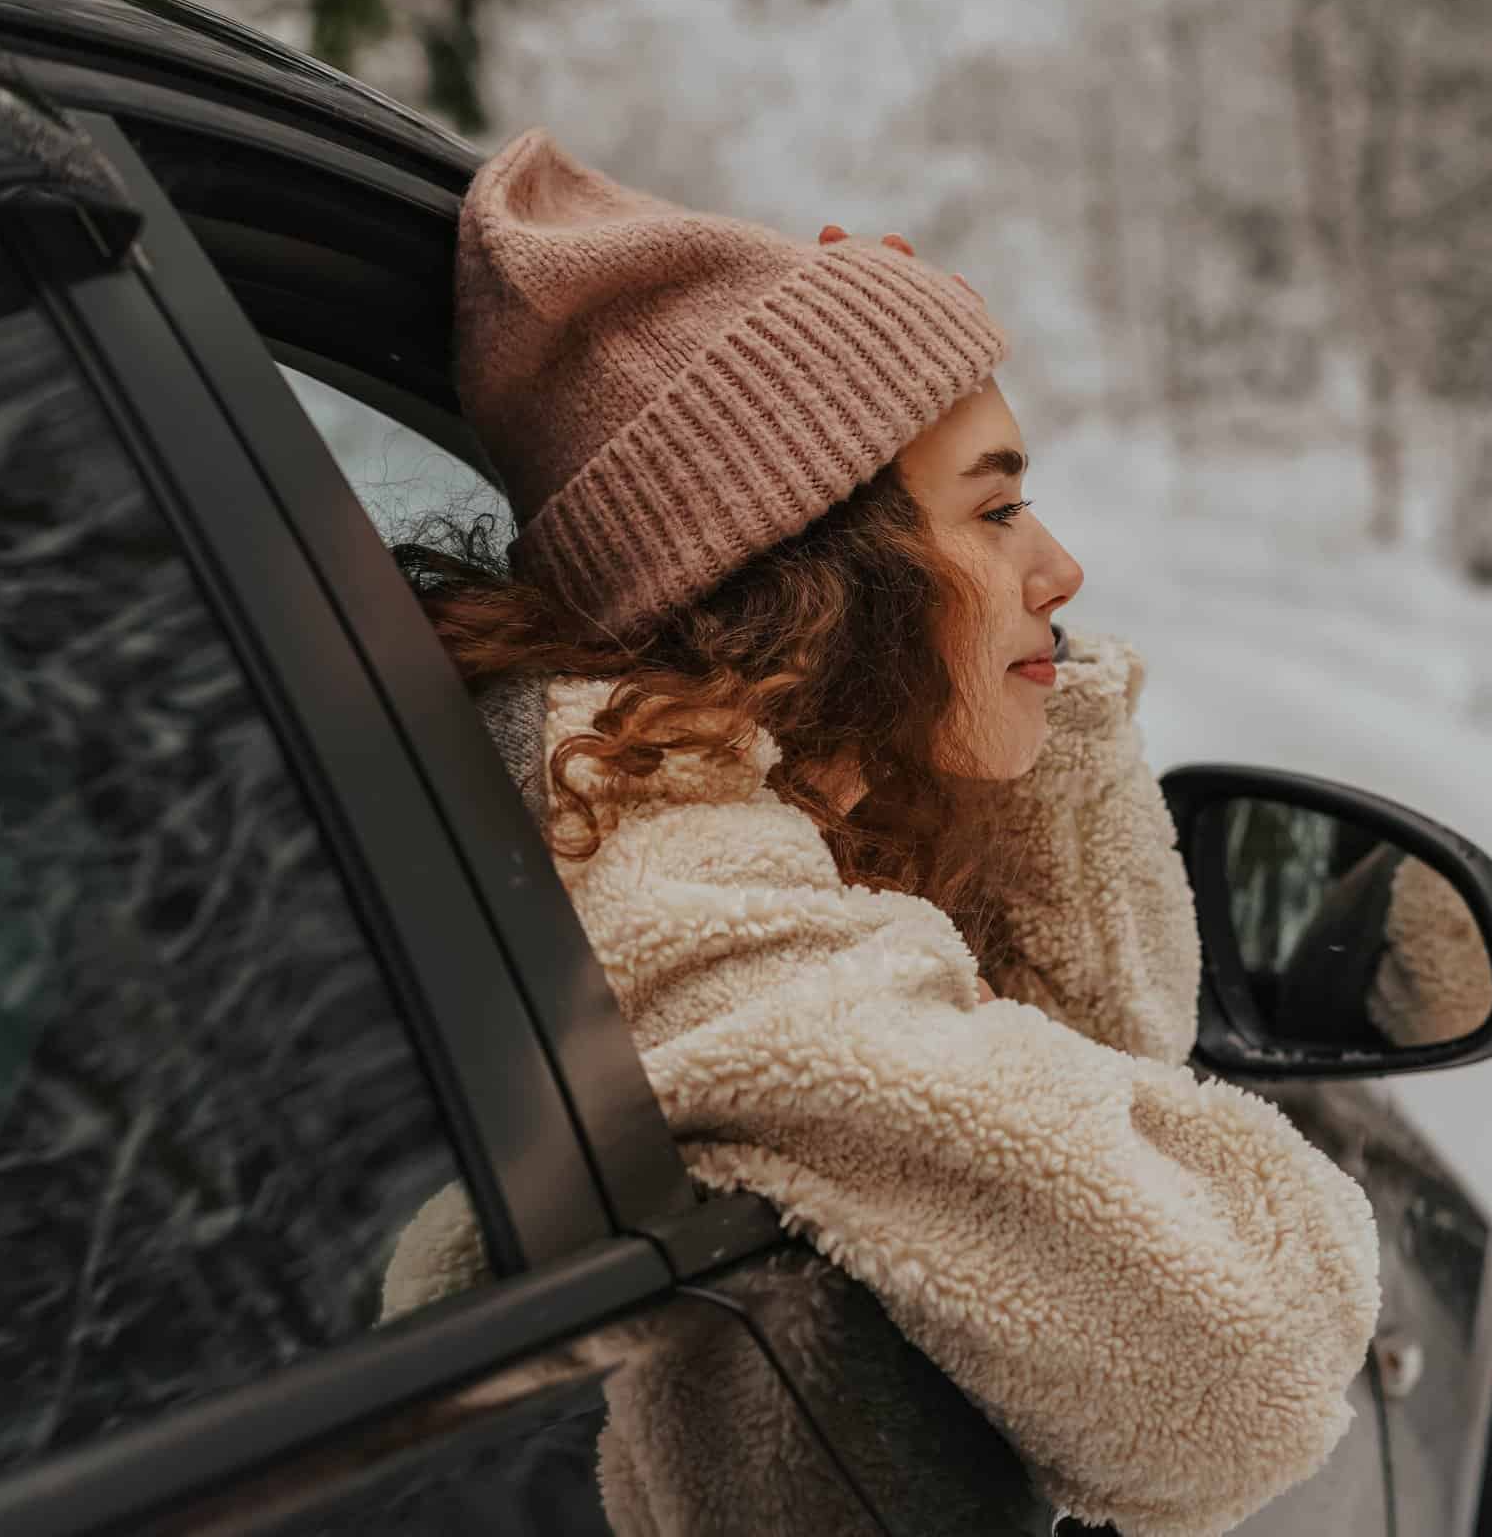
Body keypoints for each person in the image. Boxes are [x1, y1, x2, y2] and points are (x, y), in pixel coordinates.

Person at [379, 129, 1382, 1536]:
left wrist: (1006, 717)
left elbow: (1090, 1056)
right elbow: (1244, 1353)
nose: (1063, 569)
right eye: (998, 507)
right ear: (823, 576)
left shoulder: (762, 824)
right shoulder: (674, 902)